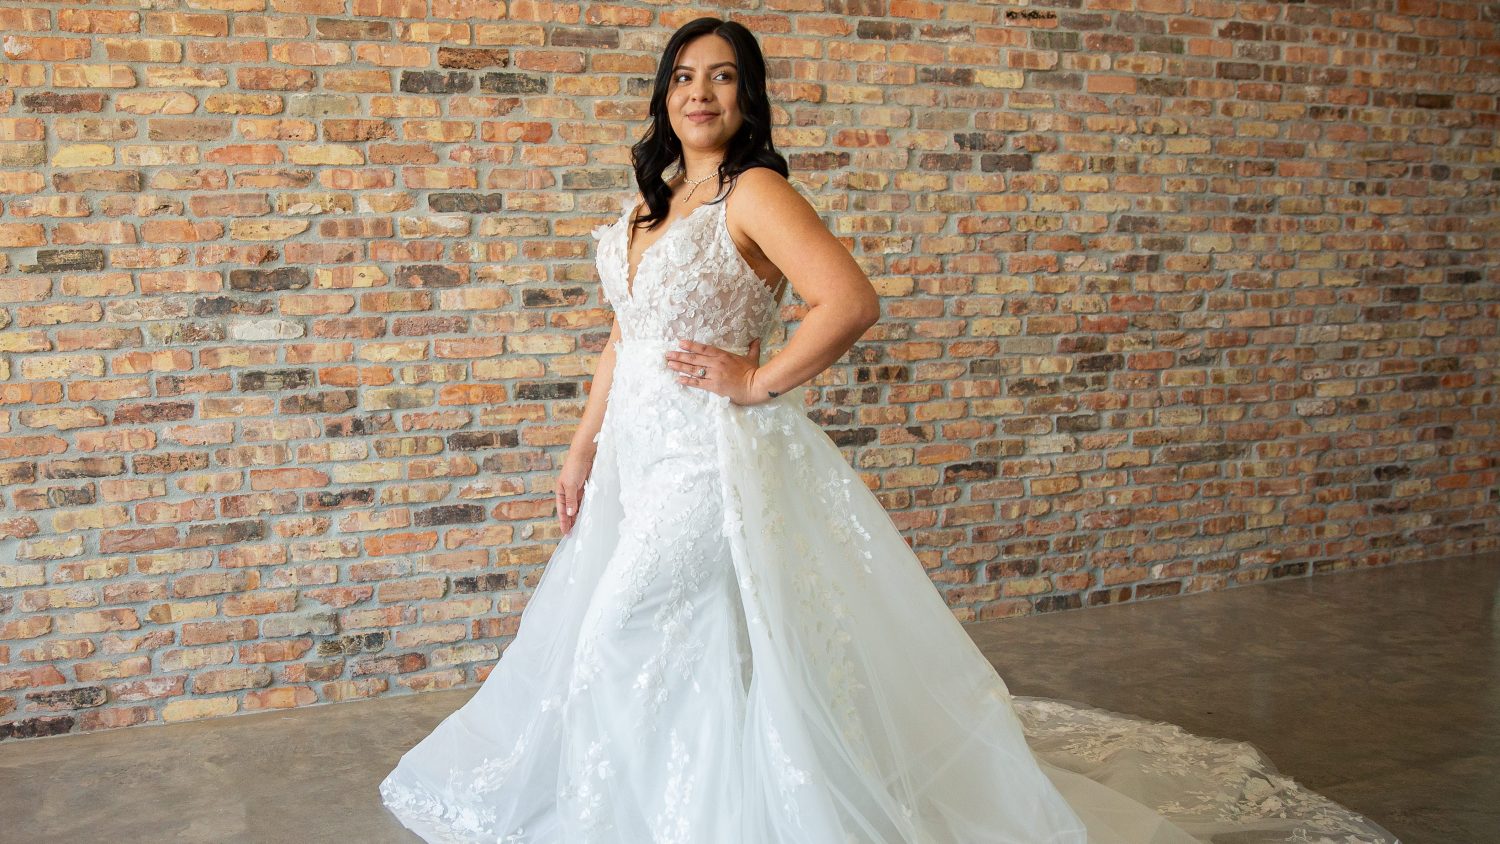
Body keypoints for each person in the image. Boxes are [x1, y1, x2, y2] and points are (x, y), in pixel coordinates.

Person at [379, 17, 1400, 844]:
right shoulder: (647, 204)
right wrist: (582, 441)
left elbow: (849, 302)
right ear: (661, 95)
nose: (701, 92)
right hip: (634, 457)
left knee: (620, 629)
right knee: (702, 643)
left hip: (707, 458)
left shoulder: (756, 192)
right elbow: (626, 335)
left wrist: (754, 378)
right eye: (685, 76)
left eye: (725, 78)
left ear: (749, 100)